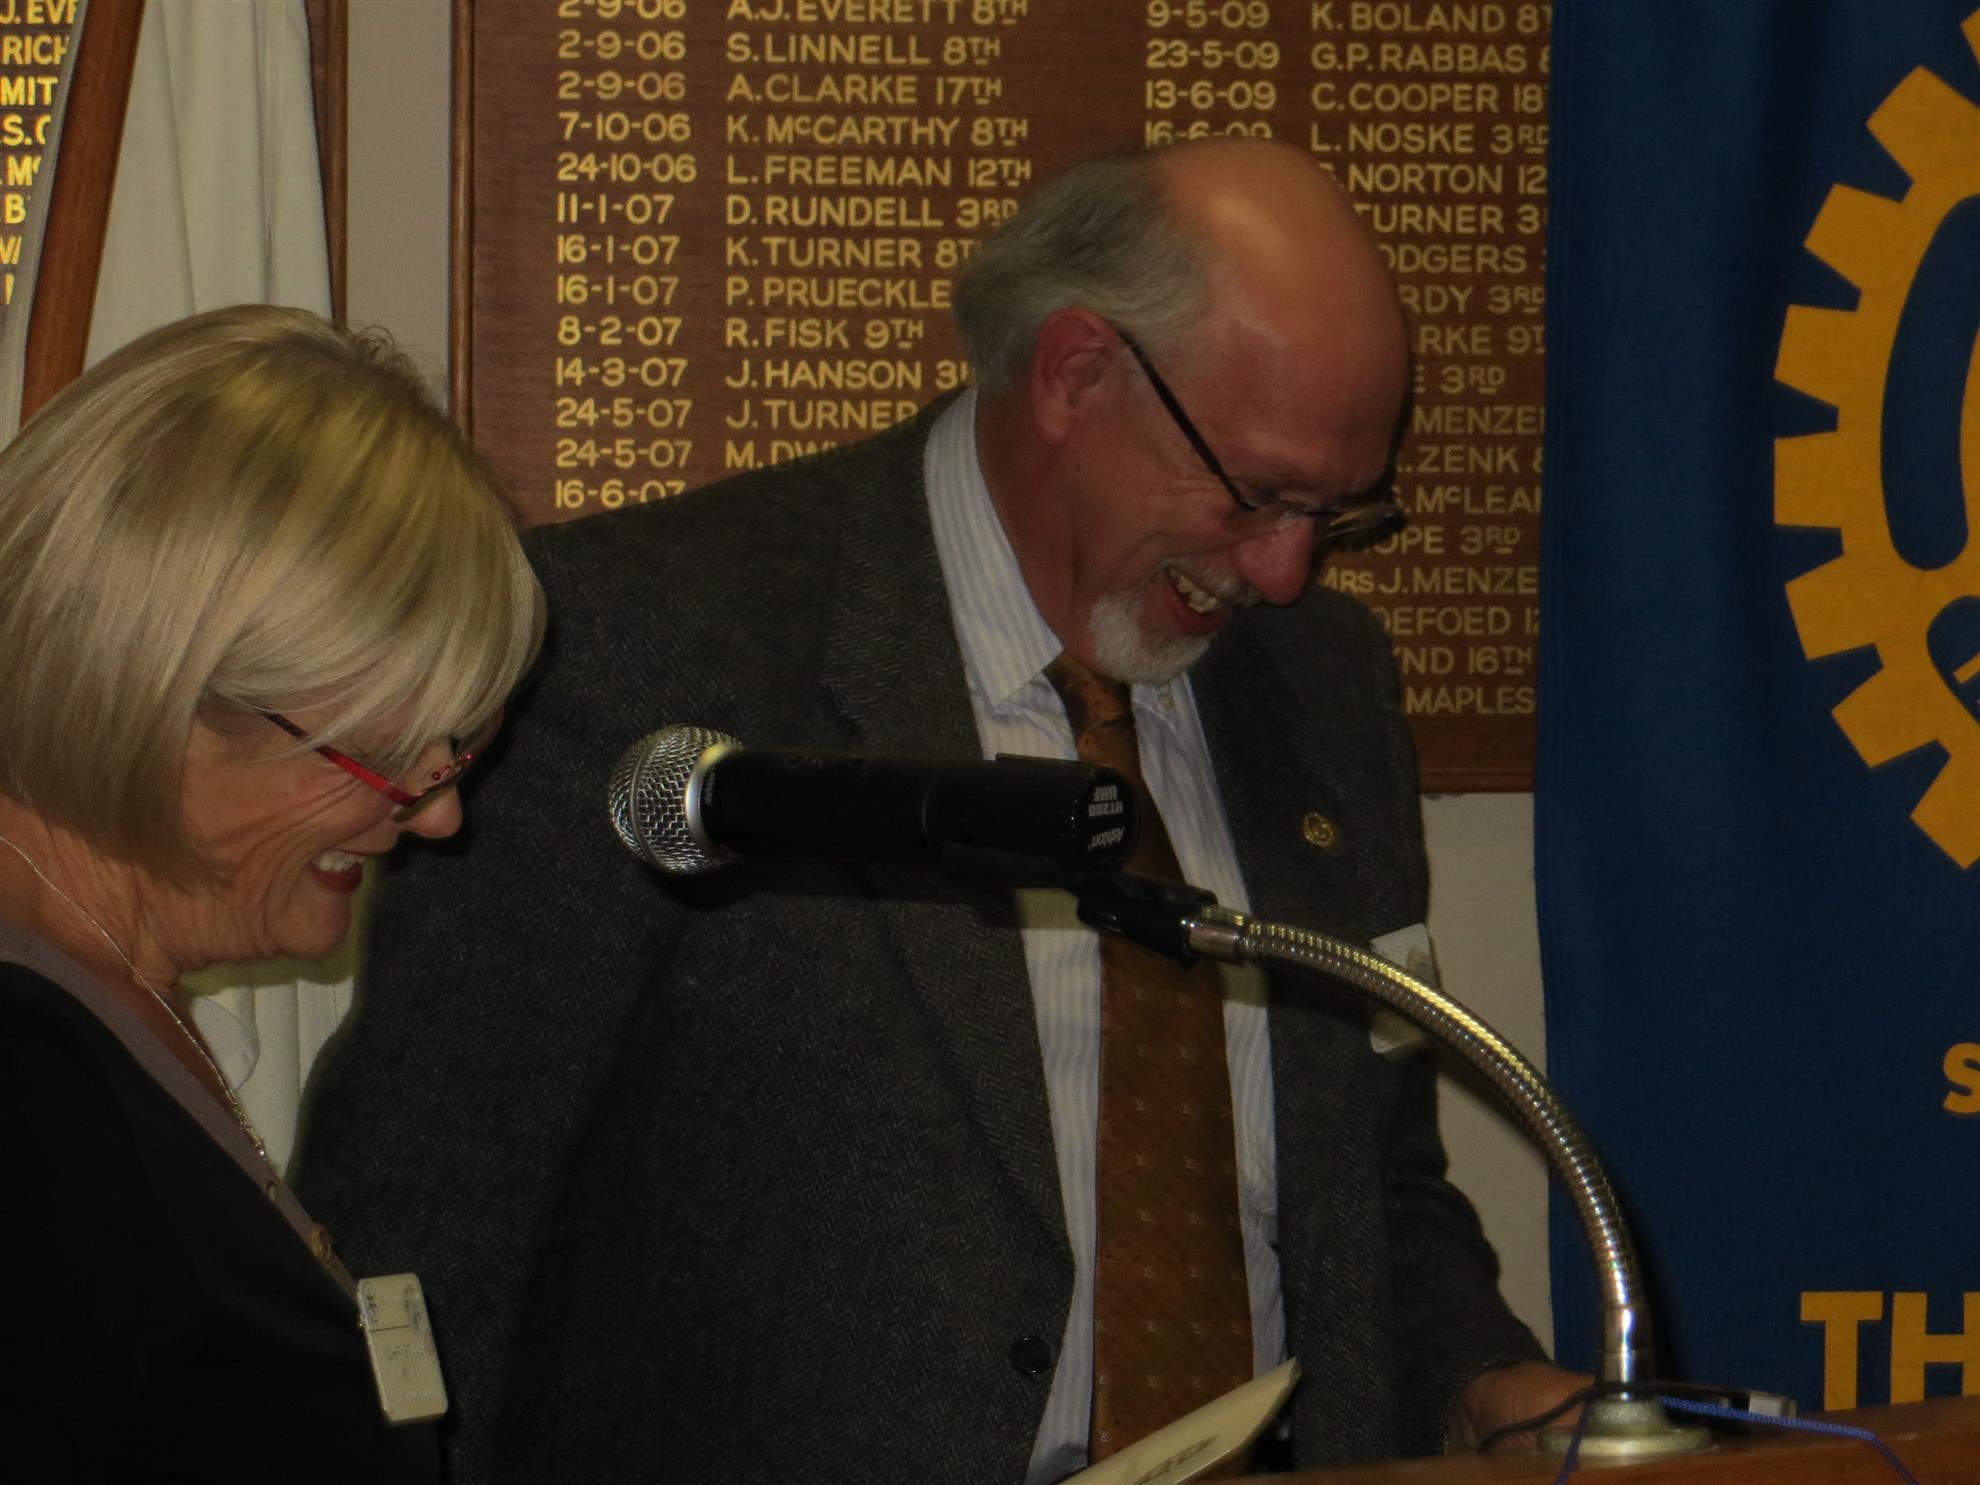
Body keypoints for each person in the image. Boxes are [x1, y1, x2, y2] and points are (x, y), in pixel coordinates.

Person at [298, 140, 1577, 1483]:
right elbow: (431, 1211)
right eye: (1256, 494)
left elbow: (1372, 1180)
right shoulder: (635, 648)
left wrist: (1475, 1378)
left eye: (1337, 515)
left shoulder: (1322, 687)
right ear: (1075, 372)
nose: (1285, 571)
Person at [0, 305, 545, 1482]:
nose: (440, 814)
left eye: (457, 745)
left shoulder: (103, 1007)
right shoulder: (27, 1097)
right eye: (385, 753)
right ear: (160, 697)